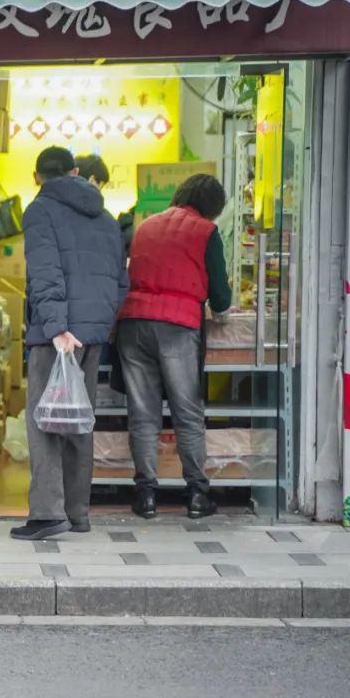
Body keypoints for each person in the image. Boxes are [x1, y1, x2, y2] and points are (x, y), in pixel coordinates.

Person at [10, 147, 128, 541]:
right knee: (78, 420)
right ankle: (78, 512)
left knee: (45, 421)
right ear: (76, 172)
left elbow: (44, 273)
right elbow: (120, 281)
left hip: (56, 335)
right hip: (92, 335)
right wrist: (98, 325)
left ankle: (47, 514)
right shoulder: (108, 219)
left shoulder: (39, 211)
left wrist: (59, 327)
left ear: (37, 176)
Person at [115, 174, 232, 520]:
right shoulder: (206, 232)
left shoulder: (146, 226)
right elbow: (221, 297)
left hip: (133, 322)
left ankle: (145, 495)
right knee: (187, 413)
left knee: (142, 412)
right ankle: (197, 494)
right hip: (178, 326)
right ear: (213, 207)